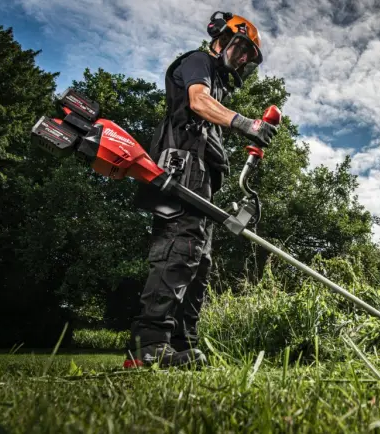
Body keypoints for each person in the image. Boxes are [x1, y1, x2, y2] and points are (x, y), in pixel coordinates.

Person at [124, 12, 277, 369]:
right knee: (179, 249)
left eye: (249, 58)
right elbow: (197, 101)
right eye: (241, 50)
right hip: (181, 170)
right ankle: (148, 346)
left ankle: (182, 346)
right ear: (221, 40)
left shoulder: (218, 86)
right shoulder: (198, 63)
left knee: (198, 262)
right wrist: (244, 123)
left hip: (201, 181)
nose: (242, 60)